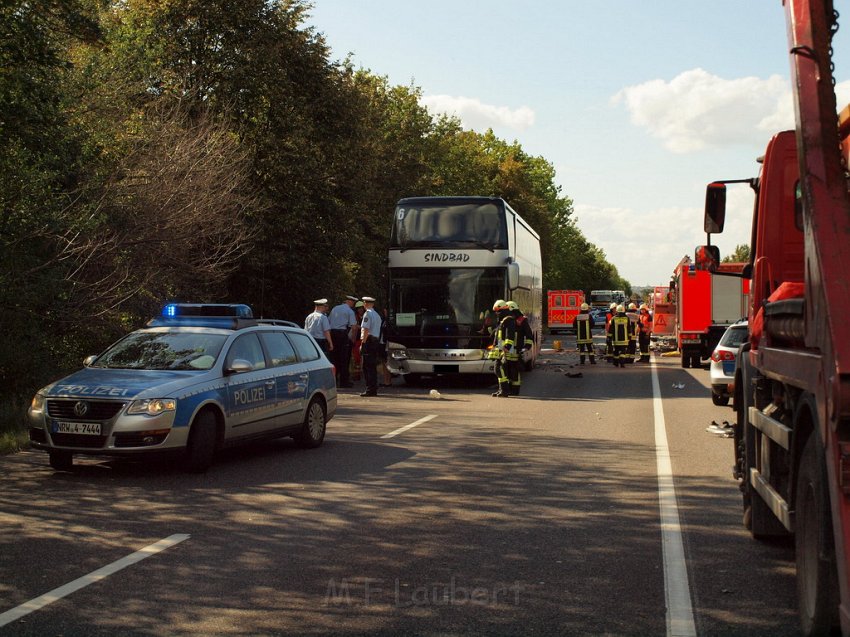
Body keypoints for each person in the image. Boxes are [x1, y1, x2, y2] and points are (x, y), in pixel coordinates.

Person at [329, 295, 359, 387]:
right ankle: (344, 381)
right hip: (342, 334)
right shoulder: (349, 311)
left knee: (334, 358)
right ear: (350, 302)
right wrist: (353, 339)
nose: (353, 305)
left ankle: (333, 380)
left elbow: (329, 321)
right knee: (344, 359)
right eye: (353, 302)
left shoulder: (335, 308)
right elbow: (354, 327)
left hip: (333, 334)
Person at [492, 299, 518, 397]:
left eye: (497, 312)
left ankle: (505, 390)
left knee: (500, 369)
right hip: (500, 348)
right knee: (498, 369)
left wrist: (507, 346)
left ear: (502, 310)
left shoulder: (509, 320)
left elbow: (509, 335)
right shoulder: (503, 320)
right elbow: (499, 334)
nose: (496, 314)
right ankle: (501, 389)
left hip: (504, 349)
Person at [358, 296, 383, 397]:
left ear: (366, 304)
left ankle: (370, 389)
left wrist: (362, 343)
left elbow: (365, 330)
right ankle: (373, 388)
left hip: (369, 341)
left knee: (367, 366)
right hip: (375, 341)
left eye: (364, 303)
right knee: (372, 366)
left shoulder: (367, 314)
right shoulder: (377, 315)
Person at [508, 301, 532, 395]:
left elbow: (529, 335)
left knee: (514, 370)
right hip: (507, 350)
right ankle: (508, 389)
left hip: (516, 350)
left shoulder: (522, 321)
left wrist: (526, 347)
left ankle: (515, 390)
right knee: (507, 370)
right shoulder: (507, 320)